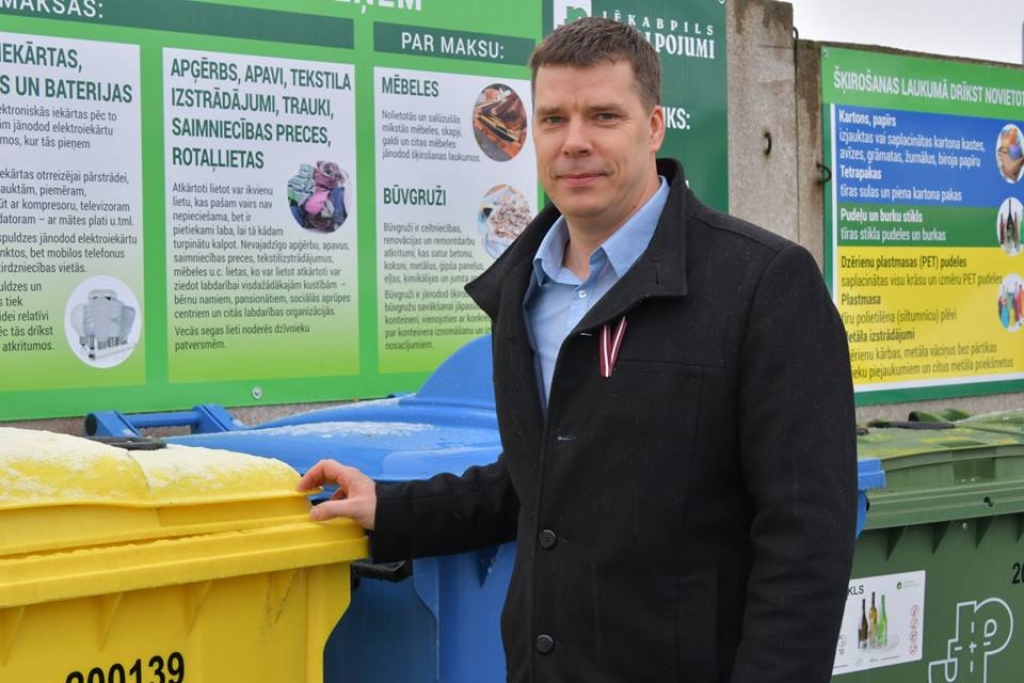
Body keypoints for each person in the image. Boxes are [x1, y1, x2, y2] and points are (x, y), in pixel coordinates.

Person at [299, 17, 857, 683]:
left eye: (603, 115)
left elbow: (806, 542)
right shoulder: (523, 288)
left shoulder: (763, 285)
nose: (575, 142)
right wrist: (393, 509)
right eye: (555, 118)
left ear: (653, 127)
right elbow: (543, 480)